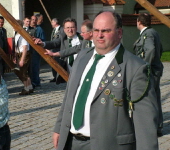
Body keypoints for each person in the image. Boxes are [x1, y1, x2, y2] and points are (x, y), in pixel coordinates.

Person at [53, 11, 159, 150]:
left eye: (106, 31)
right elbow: (69, 96)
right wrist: (59, 127)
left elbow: (145, 124)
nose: (99, 35)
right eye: (96, 30)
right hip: (70, 142)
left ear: (119, 33)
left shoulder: (136, 68)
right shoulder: (83, 56)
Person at [133, 13, 163, 136]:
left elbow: (150, 50)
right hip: (155, 70)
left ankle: (153, 127)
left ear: (139, 22)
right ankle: (157, 127)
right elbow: (160, 49)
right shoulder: (153, 32)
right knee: (155, 98)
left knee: (150, 99)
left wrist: (145, 66)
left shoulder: (148, 34)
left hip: (150, 72)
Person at [35, 17, 83, 84]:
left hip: (82, 71)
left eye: (72, 27)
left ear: (76, 28)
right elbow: (54, 43)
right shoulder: (63, 38)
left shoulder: (83, 39)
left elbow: (73, 50)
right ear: (64, 29)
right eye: (67, 28)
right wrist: (42, 43)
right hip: (68, 72)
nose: (70, 30)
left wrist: (55, 54)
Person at [14, 20, 33, 95]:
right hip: (19, 54)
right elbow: (16, 47)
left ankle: (26, 89)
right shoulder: (17, 35)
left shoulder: (23, 35)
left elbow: (25, 48)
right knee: (24, 72)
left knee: (22, 72)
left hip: (24, 54)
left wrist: (22, 60)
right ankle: (29, 87)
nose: (13, 27)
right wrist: (15, 56)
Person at [30, 15, 46, 89]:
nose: (33, 21)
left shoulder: (39, 29)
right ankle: (29, 82)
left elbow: (43, 40)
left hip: (36, 51)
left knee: (35, 67)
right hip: (28, 51)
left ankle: (36, 82)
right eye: (32, 19)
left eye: (35, 20)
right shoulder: (27, 28)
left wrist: (36, 39)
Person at [49, 18, 63, 82]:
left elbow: (60, 40)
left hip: (58, 49)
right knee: (53, 64)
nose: (51, 24)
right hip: (53, 50)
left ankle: (60, 77)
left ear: (55, 22)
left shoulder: (61, 29)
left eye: (52, 22)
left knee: (59, 64)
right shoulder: (54, 30)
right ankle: (55, 77)